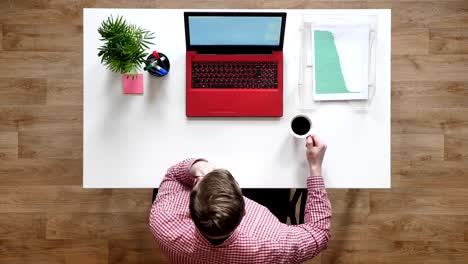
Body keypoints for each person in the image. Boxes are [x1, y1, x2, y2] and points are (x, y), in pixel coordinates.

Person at [149, 135, 331, 264]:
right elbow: (318, 233)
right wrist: (315, 168)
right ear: (245, 209)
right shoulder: (274, 242)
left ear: (189, 210)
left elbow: (173, 176)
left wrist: (196, 166)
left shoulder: (162, 220)